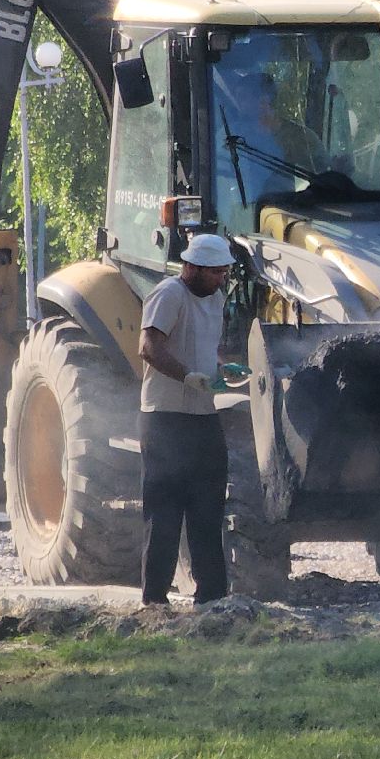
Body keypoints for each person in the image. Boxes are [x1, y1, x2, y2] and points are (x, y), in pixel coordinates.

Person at [137, 232, 237, 607]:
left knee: (208, 507)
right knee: (164, 512)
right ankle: (154, 600)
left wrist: (223, 369)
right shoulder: (169, 294)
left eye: (224, 273)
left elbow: (207, 348)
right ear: (192, 267)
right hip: (165, 419)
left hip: (202, 415)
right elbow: (148, 346)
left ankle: (212, 598)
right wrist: (186, 376)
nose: (221, 279)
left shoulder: (217, 299)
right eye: (215, 273)